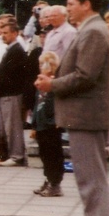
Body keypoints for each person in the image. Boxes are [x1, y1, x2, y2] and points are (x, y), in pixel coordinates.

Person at [35, 0, 109, 216]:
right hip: (83, 114)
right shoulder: (90, 30)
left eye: (70, 4)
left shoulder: (92, 31)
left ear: (86, 4)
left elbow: (85, 76)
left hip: (86, 115)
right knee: (87, 174)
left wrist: (52, 85)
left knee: (92, 175)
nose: (67, 8)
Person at [0, 18, 32, 167]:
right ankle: (6, 154)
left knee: (12, 126)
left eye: (6, 33)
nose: (3, 36)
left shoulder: (17, 50)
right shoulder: (11, 49)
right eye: (1, 33)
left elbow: (9, 74)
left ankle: (17, 155)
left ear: (15, 33)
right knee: (4, 127)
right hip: (4, 93)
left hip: (11, 93)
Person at [31, 51, 64, 198]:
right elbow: (37, 105)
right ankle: (48, 179)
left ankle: (55, 183)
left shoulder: (55, 83)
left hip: (51, 124)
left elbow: (59, 104)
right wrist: (34, 125)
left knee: (53, 154)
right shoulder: (41, 83)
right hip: (42, 124)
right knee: (44, 153)